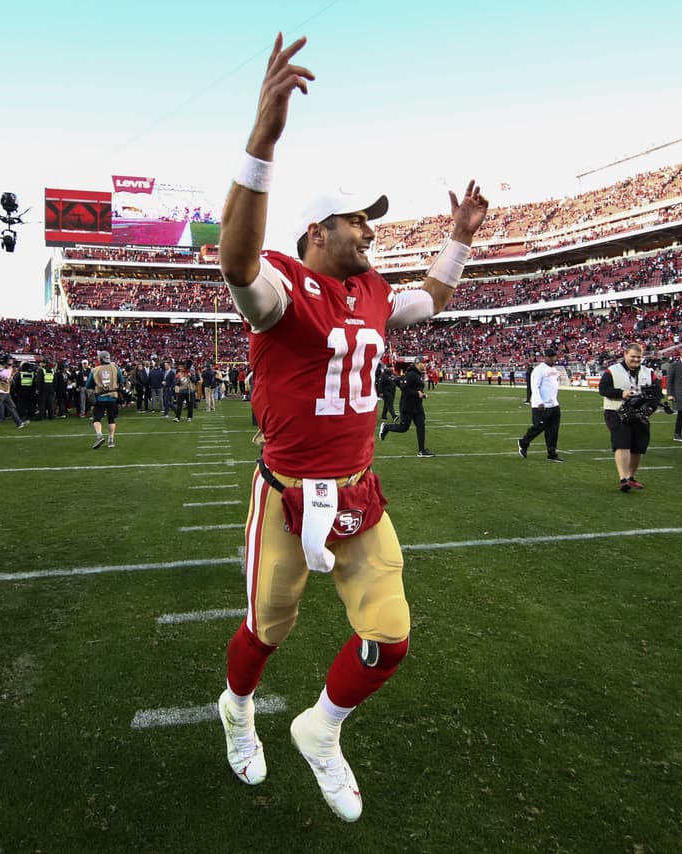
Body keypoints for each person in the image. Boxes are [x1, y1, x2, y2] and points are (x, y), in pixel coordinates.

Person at [214, 32, 489, 823]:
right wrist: (262, 141)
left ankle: (320, 728)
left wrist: (460, 238)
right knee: (266, 631)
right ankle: (237, 710)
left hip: (359, 491)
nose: (369, 232)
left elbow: (428, 300)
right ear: (313, 232)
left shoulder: (371, 291)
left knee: (390, 637)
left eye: (370, 222)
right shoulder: (282, 289)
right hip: (288, 492)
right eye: (354, 221)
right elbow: (237, 264)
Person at [599, 342, 655, 492]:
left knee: (638, 447)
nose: (636, 360)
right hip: (616, 411)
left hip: (639, 414)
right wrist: (621, 393)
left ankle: (630, 476)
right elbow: (603, 389)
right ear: (625, 354)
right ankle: (623, 478)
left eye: (639, 357)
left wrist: (651, 408)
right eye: (633, 356)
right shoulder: (612, 370)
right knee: (622, 443)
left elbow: (656, 394)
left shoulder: (648, 372)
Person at [516, 348, 564, 462]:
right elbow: (535, 386)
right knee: (539, 426)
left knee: (553, 430)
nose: (552, 358)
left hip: (554, 404)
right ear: (544, 357)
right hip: (541, 405)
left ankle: (552, 454)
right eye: (550, 356)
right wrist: (539, 402)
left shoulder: (555, 370)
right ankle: (523, 442)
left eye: (554, 356)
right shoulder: (539, 370)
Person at [379, 361, 433, 456]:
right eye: (422, 363)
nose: (424, 365)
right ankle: (386, 427)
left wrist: (422, 393)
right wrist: (417, 393)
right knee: (403, 428)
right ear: (417, 364)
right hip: (407, 405)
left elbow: (417, 387)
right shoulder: (411, 374)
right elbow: (404, 387)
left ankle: (422, 450)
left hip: (417, 406)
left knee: (421, 426)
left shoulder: (419, 375)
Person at [87, 350, 123, 448]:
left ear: (100, 359)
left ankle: (99, 436)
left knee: (97, 418)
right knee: (111, 419)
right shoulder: (115, 368)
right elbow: (121, 380)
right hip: (112, 397)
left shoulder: (95, 370)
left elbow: (88, 385)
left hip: (100, 397)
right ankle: (111, 440)